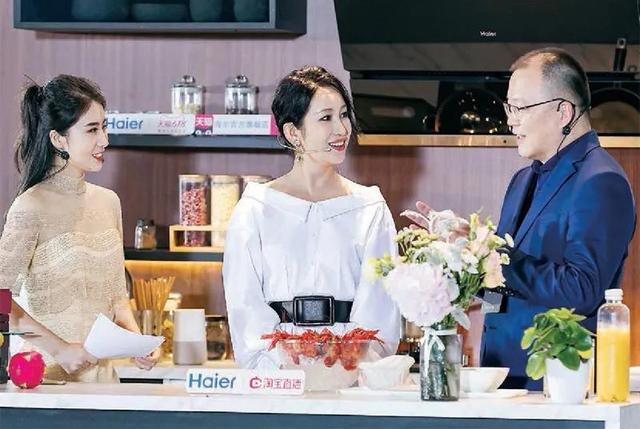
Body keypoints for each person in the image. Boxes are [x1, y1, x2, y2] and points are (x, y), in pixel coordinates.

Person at [409, 48, 636, 390]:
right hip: (501, 376)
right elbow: (503, 285)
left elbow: (583, 290)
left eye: (520, 108)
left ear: (563, 111)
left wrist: (495, 256)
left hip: (556, 384)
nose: (510, 120)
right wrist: (465, 256)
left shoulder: (601, 180)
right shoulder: (522, 179)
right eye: (508, 108)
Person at [222, 66, 401, 369]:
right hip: (277, 371)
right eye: (326, 118)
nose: (342, 130)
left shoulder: (369, 206)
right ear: (293, 133)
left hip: (352, 373)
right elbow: (245, 303)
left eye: (344, 115)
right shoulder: (254, 208)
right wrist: (278, 364)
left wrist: (350, 363)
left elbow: (380, 303)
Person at [0, 75, 160, 382]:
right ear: (58, 139)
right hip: (44, 377)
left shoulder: (109, 202)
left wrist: (137, 341)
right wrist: (59, 349)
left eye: (104, 127)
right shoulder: (30, 206)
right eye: (92, 130)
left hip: (103, 381)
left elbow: (117, 297)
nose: (104, 140)